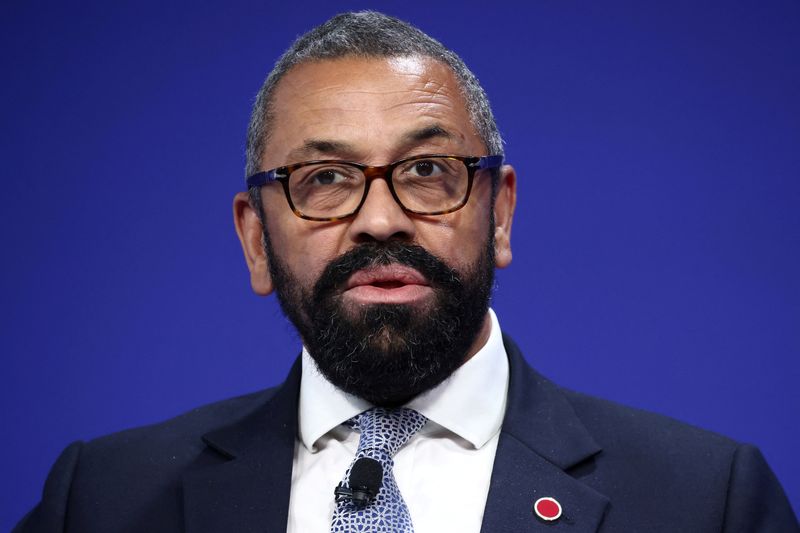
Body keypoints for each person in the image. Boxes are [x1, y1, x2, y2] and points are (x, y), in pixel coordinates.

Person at [14, 11, 798, 533]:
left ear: (499, 213)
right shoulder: (101, 499)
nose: (380, 218)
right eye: (323, 178)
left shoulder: (707, 500)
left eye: (426, 169)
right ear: (256, 240)